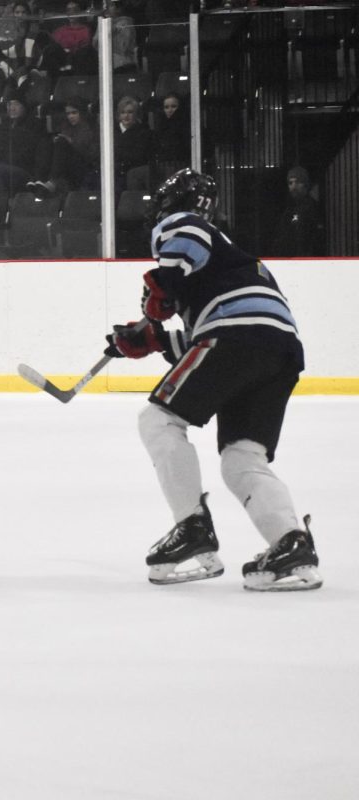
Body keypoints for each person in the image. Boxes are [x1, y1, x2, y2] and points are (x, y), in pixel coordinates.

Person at [102, 168, 319, 592]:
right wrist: (153, 339)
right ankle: (291, 545)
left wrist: (162, 285)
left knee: (158, 420)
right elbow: (214, 335)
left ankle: (192, 530)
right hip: (278, 350)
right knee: (242, 458)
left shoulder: (183, 225)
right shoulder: (230, 259)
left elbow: (188, 248)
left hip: (235, 336)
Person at [27, 98, 98, 197]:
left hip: (83, 166)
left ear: (81, 113)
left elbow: (91, 154)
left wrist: (71, 142)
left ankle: (53, 180)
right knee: (46, 142)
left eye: (74, 113)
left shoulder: (90, 129)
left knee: (61, 143)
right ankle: (38, 178)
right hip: (67, 164)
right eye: (68, 114)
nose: (71, 116)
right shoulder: (66, 127)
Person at [272, 166, 326, 257]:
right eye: (290, 183)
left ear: (306, 184)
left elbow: (315, 240)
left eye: (298, 182)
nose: (294, 186)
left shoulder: (312, 208)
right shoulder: (288, 209)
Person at [114, 94, 154, 193]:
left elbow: (138, 157)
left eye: (130, 112)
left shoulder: (143, 133)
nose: (126, 116)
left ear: (136, 114)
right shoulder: (112, 132)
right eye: (123, 112)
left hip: (132, 175)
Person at [92, 1, 139, 74]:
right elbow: (95, 43)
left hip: (123, 65)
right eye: (106, 6)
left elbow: (123, 48)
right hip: (105, 64)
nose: (106, 8)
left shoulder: (126, 23)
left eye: (111, 5)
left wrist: (110, 31)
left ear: (119, 8)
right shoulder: (104, 23)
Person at [152, 92, 190, 178]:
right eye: (166, 107)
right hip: (164, 167)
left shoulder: (186, 126)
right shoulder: (160, 126)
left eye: (173, 106)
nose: (170, 110)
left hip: (182, 165)